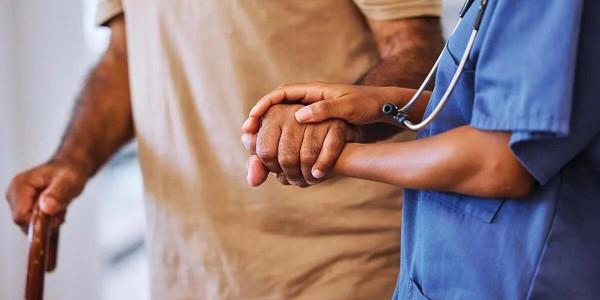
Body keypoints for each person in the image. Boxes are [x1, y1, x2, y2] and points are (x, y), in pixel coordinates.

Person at [5, 0, 445, 299]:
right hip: (187, 269)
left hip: (341, 266)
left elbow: (417, 51)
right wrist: (70, 160)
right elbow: (124, 59)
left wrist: (333, 120)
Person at [243, 0, 600, 299]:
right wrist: (383, 101)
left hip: (510, 276)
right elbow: (486, 111)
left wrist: (330, 153)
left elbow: (500, 161)